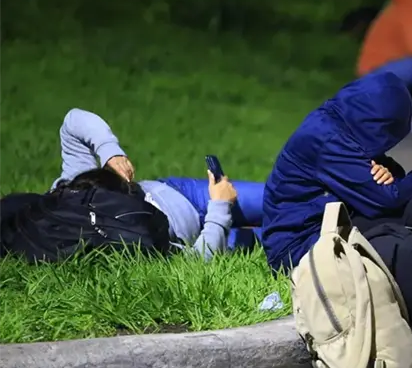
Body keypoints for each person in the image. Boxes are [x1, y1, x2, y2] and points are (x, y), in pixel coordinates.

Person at [261, 72, 412, 271]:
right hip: (297, 247)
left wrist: (388, 174)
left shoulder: (343, 122)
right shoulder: (329, 139)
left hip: (323, 225)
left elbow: (388, 185)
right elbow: (387, 198)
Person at [44, 108, 263, 258]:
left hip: (182, 193)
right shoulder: (117, 243)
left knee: (276, 198)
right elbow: (196, 261)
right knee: (280, 231)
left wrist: (110, 151)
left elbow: (73, 121)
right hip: (201, 234)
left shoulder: (72, 192)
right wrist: (220, 207)